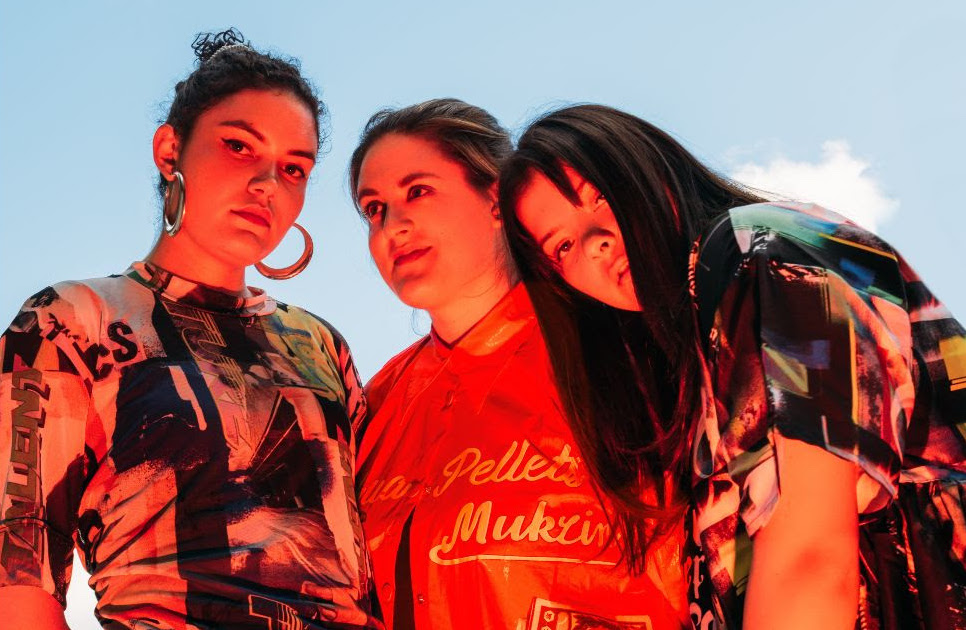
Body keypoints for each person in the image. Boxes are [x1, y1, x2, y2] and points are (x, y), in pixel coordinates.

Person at [499, 103, 966, 629]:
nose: (594, 243)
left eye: (600, 196)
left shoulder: (756, 253)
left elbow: (810, 558)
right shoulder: (689, 375)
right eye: (561, 245)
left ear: (653, 169)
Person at [0, 29, 382, 629]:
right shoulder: (71, 319)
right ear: (169, 150)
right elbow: (19, 563)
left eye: (294, 168)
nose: (268, 184)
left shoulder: (320, 344)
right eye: (238, 146)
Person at [348, 99, 690, 630]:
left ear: (496, 198)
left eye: (418, 191)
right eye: (374, 209)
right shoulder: (374, 402)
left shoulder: (617, 349)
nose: (393, 225)